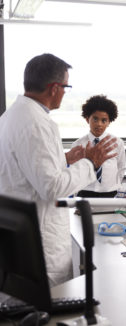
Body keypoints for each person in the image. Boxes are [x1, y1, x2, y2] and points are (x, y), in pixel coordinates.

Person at [0, 53, 117, 286]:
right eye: (66, 86)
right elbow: (52, 188)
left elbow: (25, 167)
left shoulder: (12, 116)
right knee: (48, 311)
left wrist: (64, 159)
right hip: (41, 240)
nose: (65, 92)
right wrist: (90, 162)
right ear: (54, 88)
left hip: (20, 235)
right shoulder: (38, 123)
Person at [72, 95, 126, 198]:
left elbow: (121, 169)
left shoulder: (117, 143)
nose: (99, 124)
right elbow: (75, 173)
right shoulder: (78, 144)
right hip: (85, 192)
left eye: (104, 120)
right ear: (87, 119)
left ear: (109, 122)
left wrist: (114, 186)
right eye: (95, 119)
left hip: (111, 193)